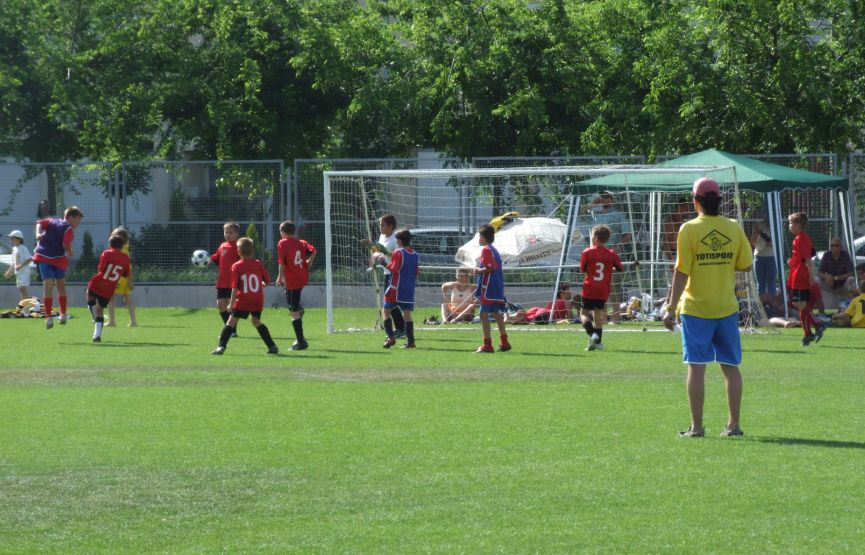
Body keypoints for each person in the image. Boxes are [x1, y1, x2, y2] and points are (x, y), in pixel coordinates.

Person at [662, 177, 752, 438]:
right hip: (726, 307)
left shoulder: (689, 229)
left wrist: (670, 308)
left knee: (696, 366)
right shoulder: (733, 227)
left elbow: (681, 272)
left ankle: (697, 427)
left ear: (695, 201)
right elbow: (746, 265)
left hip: (696, 309)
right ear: (720, 201)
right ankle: (733, 426)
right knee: (730, 367)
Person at [212, 237, 278, 355]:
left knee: (231, 322)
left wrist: (231, 304)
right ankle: (272, 346)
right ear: (252, 250)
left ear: (238, 251)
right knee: (256, 321)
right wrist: (261, 284)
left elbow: (235, 287)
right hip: (257, 299)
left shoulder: (236, 266)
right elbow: (267, 281)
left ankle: (221, 347)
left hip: (244, 300)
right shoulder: (258, 263)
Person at [577, 191, 632, 322]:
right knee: (597, 289)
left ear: (612, 199)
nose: (603, 199)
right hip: (594, 257)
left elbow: (628, 234)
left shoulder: (618, 215)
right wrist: (592, 204)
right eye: (602, 196)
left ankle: (616, 319)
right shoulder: (594, 214)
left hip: (610, 256)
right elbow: (580, 213)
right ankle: (602, 319)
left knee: (614, 289)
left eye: (606, 197)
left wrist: (618, 246)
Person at [33, 205, 84, 329]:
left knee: (48, 286)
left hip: (44, 256)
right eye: (78, 220)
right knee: (61, 285)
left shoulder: (52, 221)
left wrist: (38, 233)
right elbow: (65, 244)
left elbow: (39, 223)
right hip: (58, 259)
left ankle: (48, 317)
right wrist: (70, 250)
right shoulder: (69, 229)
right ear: (70, 217)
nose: (78, 223)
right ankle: (63, 314)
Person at [579, 225, 623, 351]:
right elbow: (620, 268)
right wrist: (609, 269)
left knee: (583, 313)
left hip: (590, 288)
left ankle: (592, 334)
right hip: (603, 289)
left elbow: (582, 269)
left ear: (595, 238)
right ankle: (598, 343)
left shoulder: (587, 252)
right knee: (598, 313)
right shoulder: (611, 253)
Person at [276, 220, 316, 350]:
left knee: (293, 311)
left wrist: (279, 276)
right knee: (292, 302)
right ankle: (298, 309)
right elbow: (313, 251)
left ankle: (300, 341)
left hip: (292, 279)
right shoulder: (302, 242)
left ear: (283, 232)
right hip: (302, 276)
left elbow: (282, 263)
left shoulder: (282, 243)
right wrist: (309, 262)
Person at [376, 229, 418, 348]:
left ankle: (391, 337)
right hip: (409, 290)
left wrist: (383, 262)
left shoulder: (398, 252)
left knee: (386, 311)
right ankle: (411, 342)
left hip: (396, 288)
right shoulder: (415, 254)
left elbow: (394, 269)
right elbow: (417, 272)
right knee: (407, 314)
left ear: (399, 240)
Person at [786, 212, 824, 346]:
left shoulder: (800, 238)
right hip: (799, 271)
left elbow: (808, 258)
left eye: (791, 223)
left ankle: (818, 324)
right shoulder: (802, 237)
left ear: (798, 225)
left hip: (800, 274)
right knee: (802, 305)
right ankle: (807, 334)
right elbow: (803, 256)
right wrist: (793, 261)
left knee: (798, 303)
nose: (789, 226)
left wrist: (811, 275)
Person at [86, 234, 131, 343]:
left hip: (98, 282)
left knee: (89, 293)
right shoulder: (126, 257)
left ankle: (93, 315)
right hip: (110, 288)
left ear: (110, 245)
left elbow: (101, 268)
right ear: (122, 246)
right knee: (100, 309)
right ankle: (97, 335)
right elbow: (126, 274)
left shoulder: (106, 253)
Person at [473, 224, 511, 353]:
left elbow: (490, 267)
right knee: (497, 314)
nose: (479, 239)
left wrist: (478, 270)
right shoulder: (494, 250)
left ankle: (487, 345)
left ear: (483, 238)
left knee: (483, 315)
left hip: (489, 287)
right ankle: (504, 342)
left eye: (479, 236)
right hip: (497, 287)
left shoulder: (486, 249)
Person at [372, 214, 406, 337]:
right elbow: (376, 250)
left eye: (383, 225)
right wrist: (375, 255)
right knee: (390, 302)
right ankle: (401, 328)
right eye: (379, 225)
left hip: (395, 274)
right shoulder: (382, 236)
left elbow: (399, 256)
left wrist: (385, 253)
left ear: (390, 226)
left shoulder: (395, 239)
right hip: (387, 273)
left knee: (390, 303)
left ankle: (401, 329)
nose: (380, 227)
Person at [211, 221, 241, 333]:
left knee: (230, 306)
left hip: (233, 282)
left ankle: (232, 331)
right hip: (222, 281)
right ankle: (229, 328)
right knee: (220, 305)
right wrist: (206, 259)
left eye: (230, 232)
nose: (227, 234)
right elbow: (216, 259)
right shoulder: (222, 246)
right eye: (226, 232)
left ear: (237, 234)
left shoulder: (239, 247)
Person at [106, 226, 137, 327]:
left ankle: (112, 321)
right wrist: (130, 281)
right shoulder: (126, 250)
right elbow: (129, 267)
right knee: (128, 299)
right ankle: (133, 321)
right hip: (125, 278)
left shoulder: (118, 251)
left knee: (110, 298)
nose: (111, 236)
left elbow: (125, 266)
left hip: (117, 278)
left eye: (113, 235)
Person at [817, 237, 854, 310]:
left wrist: (834, 278)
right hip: (829, 284)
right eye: (832, 245)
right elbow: (819, 272)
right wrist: (826, 277)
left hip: (843, 285)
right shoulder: (826, 255)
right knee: (816, 280)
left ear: (840, 247)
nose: (833, 247)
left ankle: (853, 305)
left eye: (836, 245)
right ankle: (819, 308)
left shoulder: (845, 255)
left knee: (851, 279)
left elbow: (850, 273)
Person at [4, 230, 33, 309]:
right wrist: (9, 272)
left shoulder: (23, 248)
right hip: (19, 273)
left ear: (18, 239)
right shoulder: (14, 249)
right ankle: (23, 306)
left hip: (24, 272)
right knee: (21, 290)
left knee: (23, 289)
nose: (10, 239)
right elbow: (14, 263)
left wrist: (20, 266)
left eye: (12, 238)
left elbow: (29, 259)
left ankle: (26, 307)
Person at [750, 216, 776, 303]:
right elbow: (752, 241)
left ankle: (772, 305)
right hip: (759, 257)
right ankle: (761, 306)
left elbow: (774, 244)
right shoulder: (758, 224)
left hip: (771, 257)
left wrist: (764, 239)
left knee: (771, 283)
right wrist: (758, 233)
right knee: (760, 284)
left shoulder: (776, 224)